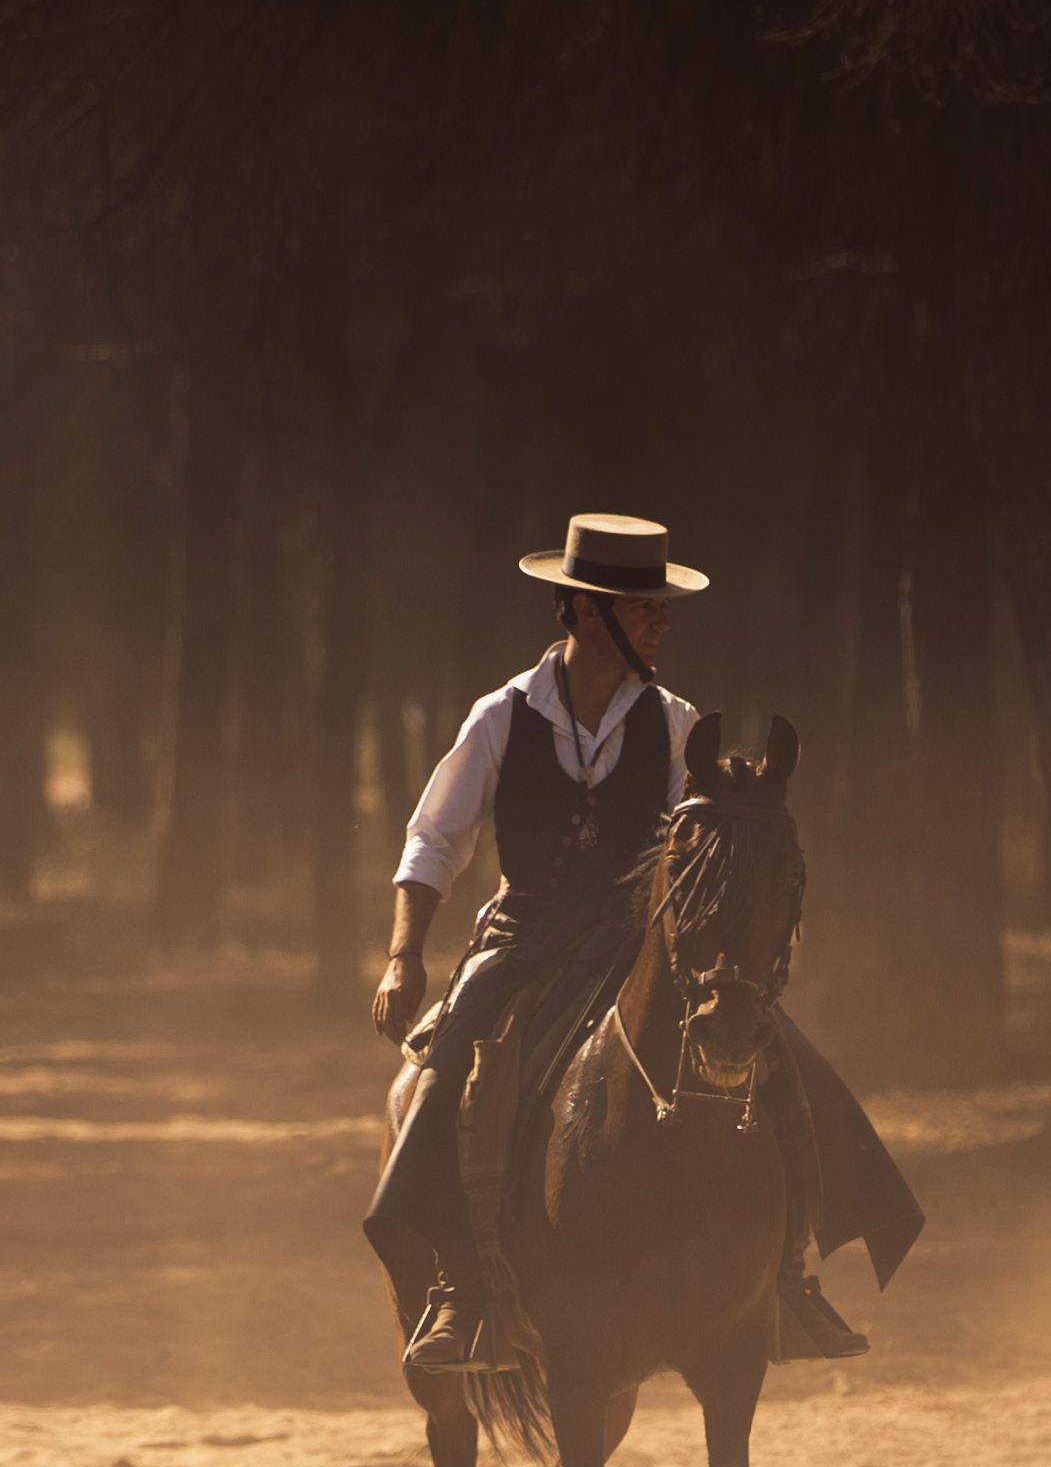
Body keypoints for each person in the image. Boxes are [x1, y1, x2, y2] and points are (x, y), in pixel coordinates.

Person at [363, 511, 914, 1374]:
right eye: (644, 605)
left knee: (780, 1052)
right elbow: (433, 842)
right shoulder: (500, 718)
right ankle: (459, 1289)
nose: (661, 621)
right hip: (526, 933)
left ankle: (789, 1273)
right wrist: (405, 955)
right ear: (587, 611)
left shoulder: (678, 722)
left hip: (632, 940)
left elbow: (694, 853)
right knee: (449, 1071)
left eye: (660, 607)